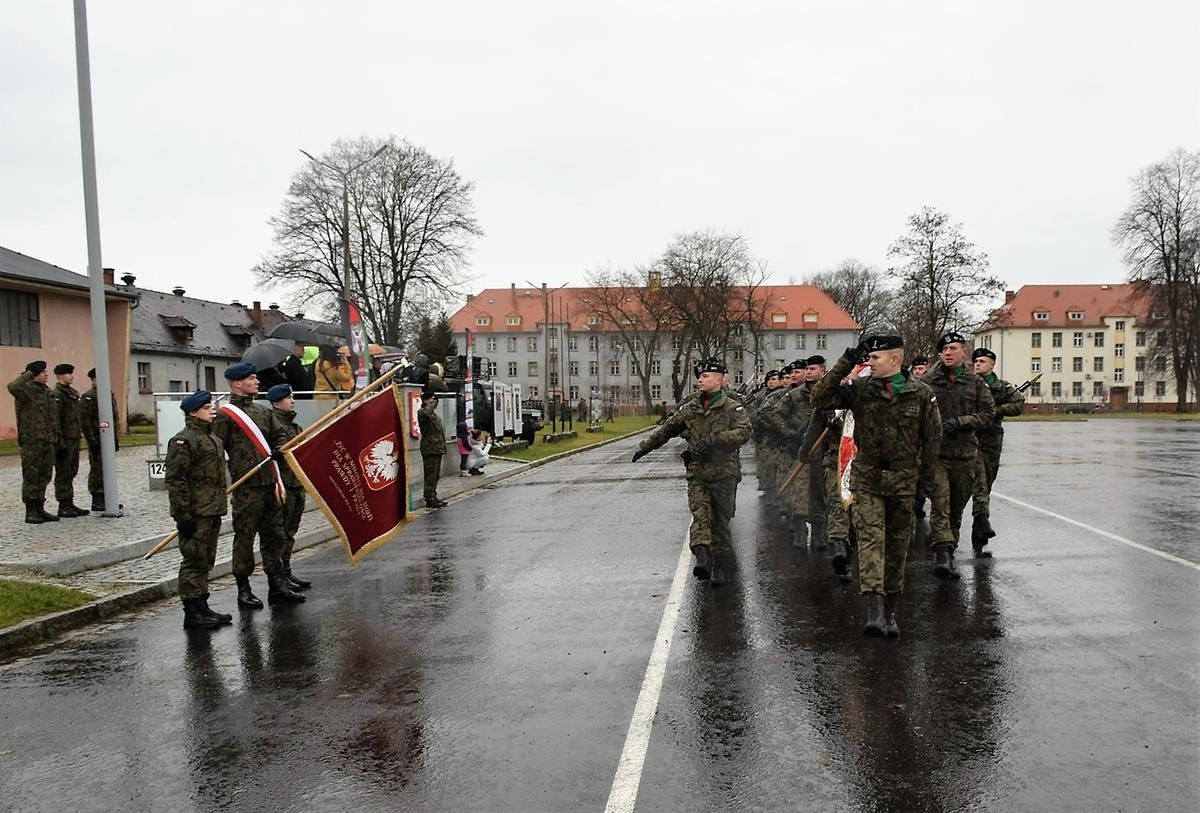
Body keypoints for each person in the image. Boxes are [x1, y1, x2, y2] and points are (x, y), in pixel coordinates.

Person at [812, 336, 940, 638]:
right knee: (870, 542)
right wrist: (846, 361)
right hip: (867, 479)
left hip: (903, 481)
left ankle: (891, 609)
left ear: (895, 359)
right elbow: (819, 398)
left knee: (897, 548)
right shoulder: (860, 390)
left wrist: (926, 481)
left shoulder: (921, 394)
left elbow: (932, 439)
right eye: (868, 358)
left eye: (876, 358)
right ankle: (874, 610)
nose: (870, 362)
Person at [632, 358, 752, 587]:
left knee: (720, 522)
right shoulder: (691, 409)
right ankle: (702, 556)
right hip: (698, 472)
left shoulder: (732, 407)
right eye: (700, 376)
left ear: (719, 379)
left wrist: (715, 440)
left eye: (705, 376)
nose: (700, 379)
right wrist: (644, 448)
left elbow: (744, 432)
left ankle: (718, 565)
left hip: (724, 473)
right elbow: (666, 430)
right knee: (700, 515)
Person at [211, 362, 304, 608]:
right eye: (251, 379)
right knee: (244, 537)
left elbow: (279, 436)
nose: (257, 382)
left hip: (270, 484)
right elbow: (215, 450)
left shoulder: (264, 413)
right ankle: (243, 588)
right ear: (237, 383)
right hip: (247, 486)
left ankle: (277, 585)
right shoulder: (225, 415)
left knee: (274, 535)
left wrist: (278, 449)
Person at [920, 332, 995, 579]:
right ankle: (941, 554)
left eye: (953, 348)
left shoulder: (975, 382)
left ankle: (949, 551)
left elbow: (987, 414)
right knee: (940, 503)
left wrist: (962, 422)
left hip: (964, 454)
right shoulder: (929, 381)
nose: (948, 353)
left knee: (955, 508)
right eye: (944, 349)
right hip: (937, 455)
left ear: (964, 352)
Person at [166, 390, 232, 630]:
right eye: (206, 407)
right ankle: (192, 611)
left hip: (212, 508)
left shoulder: (212, 438)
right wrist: (182, 515)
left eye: (210, 406)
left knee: (206, 559)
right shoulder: (183, 440)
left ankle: (202, 605)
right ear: (193, 412)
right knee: (193, 559)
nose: (211, 410)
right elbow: (176, 480)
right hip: (195, 511)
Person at [969, 347, 1025, 557]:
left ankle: (978, 525)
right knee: (980, 481)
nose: (978, 365)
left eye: (982, 361)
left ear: (992, 364)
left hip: (992, 438)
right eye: (976, 362)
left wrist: (995, 410)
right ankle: (982, 519)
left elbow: (1018, 405)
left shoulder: (1001, 387)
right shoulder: (969, 384)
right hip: (973, 438)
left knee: (988, 480)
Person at [267, 384, 312, 590]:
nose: (293, 400)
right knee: (281, 532)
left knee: (291, 531)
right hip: (282, 484)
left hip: (296, 484)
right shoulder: (272, 423)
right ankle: (278, 576)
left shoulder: (294, 426)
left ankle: (286, 570)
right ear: (277, 401)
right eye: (288, 398)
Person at [8, 360, 60, 524]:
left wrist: (56, 436)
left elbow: (53, 418)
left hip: (47, 440)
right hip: (32, 442)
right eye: (43, 372)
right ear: (35, 373)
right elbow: (12, 387)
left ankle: (40, 507)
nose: (46, 374)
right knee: (31, 476)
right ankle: (30, 510)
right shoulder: (25, 390)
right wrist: (29, 372)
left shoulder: (46, 391)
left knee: (45, 475)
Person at [50, 363, 88, 518]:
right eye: (68, 374)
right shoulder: (57, 394)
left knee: (71, 471)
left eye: (71, 373)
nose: (71, 376)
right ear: (59, 376)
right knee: (63, 473)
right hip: (64, 439)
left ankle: (69, 503)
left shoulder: (71, 393)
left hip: (73, 438)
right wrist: (60, 442)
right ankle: (63, 504)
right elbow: (55, 420)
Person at [80, 368, 119, 512]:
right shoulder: (90, 396)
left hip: (108, 439)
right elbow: (85, 421)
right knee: (97, 470)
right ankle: (97, 499)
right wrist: (92, 441)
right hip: (97, 439)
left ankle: (108, 498)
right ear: (94, 380)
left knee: (108, 469)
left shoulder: (107, 394)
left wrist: (115, 440)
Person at [418, 388, 448, 508]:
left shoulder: (433, 414)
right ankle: (429, 497)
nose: (434, 402)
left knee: (435, 474)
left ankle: (433, 495)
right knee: (430, 474)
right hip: (429, 447)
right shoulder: (422, 412)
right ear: (426, 401)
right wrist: (433, 403)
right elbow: (427, 412)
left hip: (437, 447)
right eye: (431, 399)